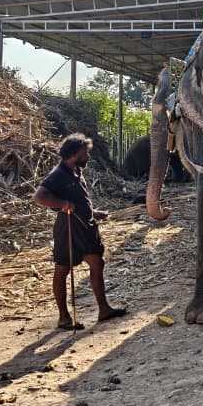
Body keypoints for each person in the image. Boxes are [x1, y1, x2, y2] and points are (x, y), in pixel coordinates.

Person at [33, 134, 126, 329]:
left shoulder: (76, 171)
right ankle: (64, 317)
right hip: (68, 229)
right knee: (62, 270)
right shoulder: (58, 174)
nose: (89, 157)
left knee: (97, 263)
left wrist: (93, 212)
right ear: (75, 154)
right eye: (85, 153)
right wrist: (62, 204)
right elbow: (40, 196)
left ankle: (104, 309)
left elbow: (79, 200)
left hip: (86, 226)